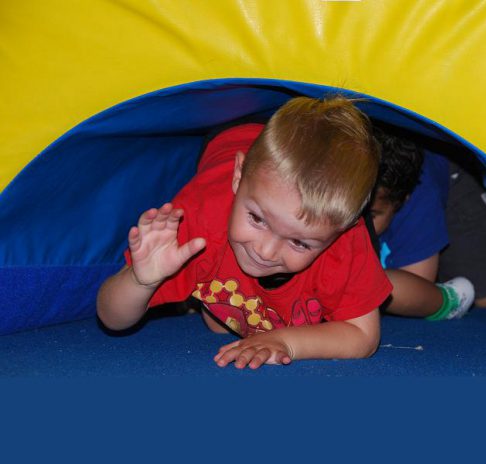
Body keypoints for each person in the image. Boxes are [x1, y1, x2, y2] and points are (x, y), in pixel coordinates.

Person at [97, 96, 392, 370]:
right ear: (238, 177)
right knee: (219, 319)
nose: (265, 251)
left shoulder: (344, 241)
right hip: (235, 123)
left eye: (300, 242)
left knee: (382, 290)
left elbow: (363, 336)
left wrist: (287, 342)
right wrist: (139, 280)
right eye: (257, 219)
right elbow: (111, 317)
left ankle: (437, 297)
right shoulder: (196, 222)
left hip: (314, 197)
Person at [369, 127, 486, 320]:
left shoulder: (418, 193)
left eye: (370, 216)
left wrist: (352, 281)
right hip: (380, 164)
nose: (357, 224)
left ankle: (432, 246)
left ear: (402, 201)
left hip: (447, 170)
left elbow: (417, 283)